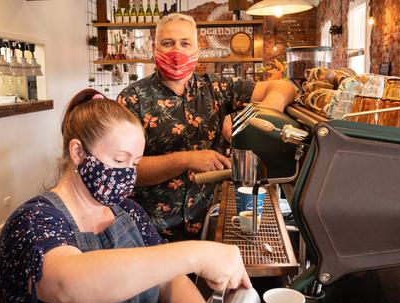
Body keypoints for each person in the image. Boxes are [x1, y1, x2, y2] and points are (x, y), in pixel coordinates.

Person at [0, 89, 251, 303]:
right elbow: (69, 284)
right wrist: (196, 255)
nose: (128, 175)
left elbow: (166, 280)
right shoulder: (33, 222)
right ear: (79, 152)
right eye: (119, 161)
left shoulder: (128, 212)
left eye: (135, 164)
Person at [118, 13, 297, 242]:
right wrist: (186, 159)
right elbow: (125, 172)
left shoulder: (217, 88)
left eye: (185, 43)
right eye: (168, 43)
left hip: (207, 223)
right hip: (148, 228)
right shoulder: (132, 99)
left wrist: (257, 119)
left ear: (197, 50)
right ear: (155, 48)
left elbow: (284, 87)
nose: (177, 51)